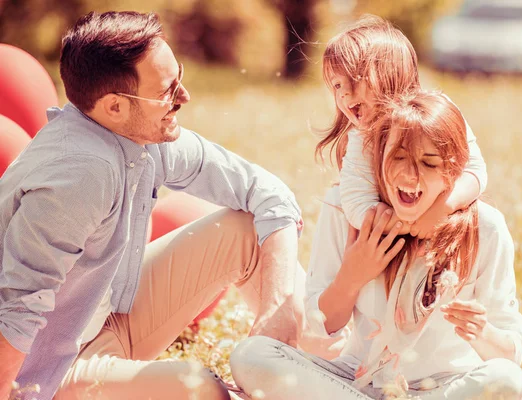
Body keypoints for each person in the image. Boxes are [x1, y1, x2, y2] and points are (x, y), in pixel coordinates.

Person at [0, 11, 308, 400]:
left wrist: (280, 304)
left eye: (178, 75)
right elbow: (17, 310)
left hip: (107, 319)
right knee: (200, 390)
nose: (184, 96)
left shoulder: (137, 134)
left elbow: (266, 191)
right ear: (114, 106)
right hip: (50, 370)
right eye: (166, 90)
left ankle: (326, 371)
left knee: (248, 230)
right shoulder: (80, 175)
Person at [230, 90, 522, 399]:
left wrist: (482, 333)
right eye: (398, 157)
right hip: (351, 383)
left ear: (451, 172)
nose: (409, 175)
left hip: (440, 388)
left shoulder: (485, 227)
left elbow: (510, 355)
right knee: (252, 356)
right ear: (378, 158)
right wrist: (352, 277)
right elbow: (316, 332)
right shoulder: (346, 212)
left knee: (507, 380)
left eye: (428, 164)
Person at [317, 15, 487, 239]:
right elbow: (356, 203)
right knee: (334, 199)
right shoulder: (360, 138)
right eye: (337, 85)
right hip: (391, 239)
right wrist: (407, 226)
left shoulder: (436, 117)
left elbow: (475, 170)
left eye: (356, 78)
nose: (343, 92)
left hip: (442, 227)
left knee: (487, 219)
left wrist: (444, 207)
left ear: (391, 74)